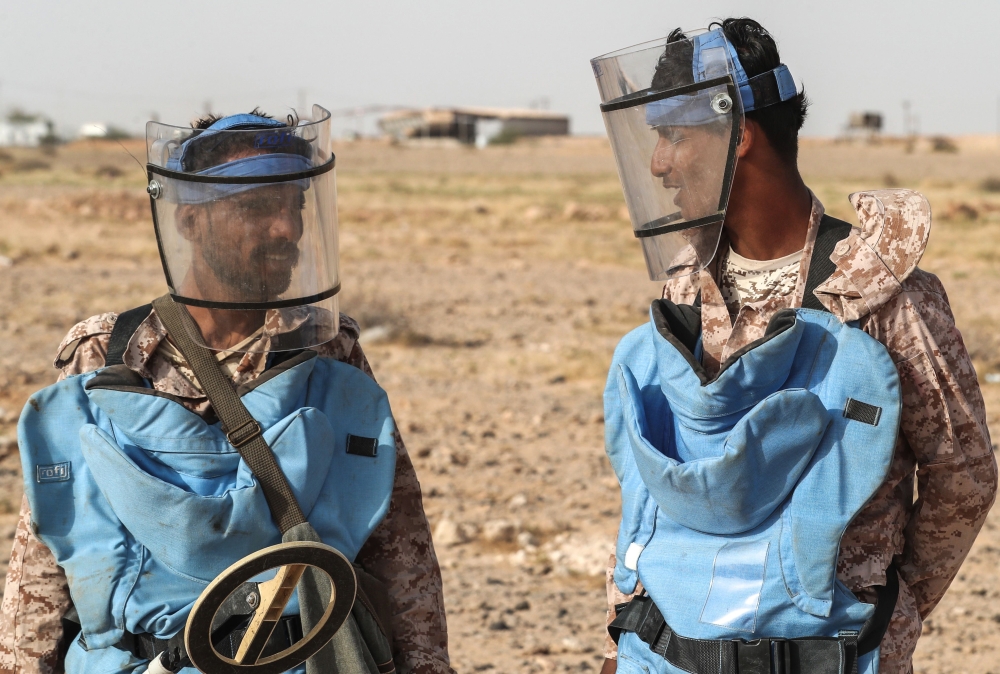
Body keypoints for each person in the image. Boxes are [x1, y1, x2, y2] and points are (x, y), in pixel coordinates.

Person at [591, 18, 997, 674]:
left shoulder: (887, 296)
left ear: (739, 136)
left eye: (673, 135)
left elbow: (963, 474)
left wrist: (893, 613)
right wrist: (632, 627)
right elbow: (661, 484)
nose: (658, 162)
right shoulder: (686, 289)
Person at [0, 108, 452, 674]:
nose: (288, 229)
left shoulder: (327, 354)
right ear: (190, 222)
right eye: (260, 208)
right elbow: (47, 547)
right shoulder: (108, 356)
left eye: (296, 207)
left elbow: (397, 537)